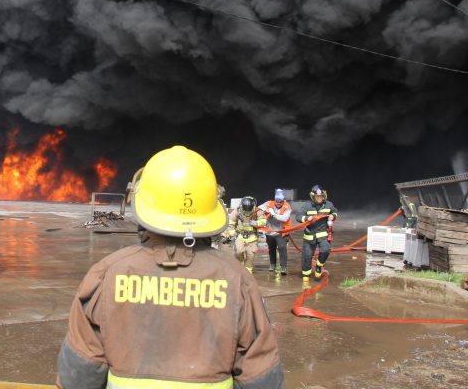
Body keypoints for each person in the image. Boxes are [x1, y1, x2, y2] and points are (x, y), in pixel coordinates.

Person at [56, 146, 284, 388]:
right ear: (211, 205)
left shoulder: (106, 275)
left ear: (141, 203)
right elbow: (262, 379)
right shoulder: (238, 280)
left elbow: (78, 377)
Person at [299, 184, 338, 282]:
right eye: (317, 197)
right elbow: (298, 216)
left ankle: (319, 266)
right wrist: (307, 218)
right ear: (313, 197)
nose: (319, 198)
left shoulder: (328, 204)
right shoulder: (307, 206)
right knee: (307, 256)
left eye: (321, 196)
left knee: (325, 250)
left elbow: (335, 211)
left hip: (323, 234)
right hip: (309, 235)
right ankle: (306, 274)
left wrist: (333, 216)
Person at [222, 195, 267, 273]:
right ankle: (240, 265)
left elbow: (264, 221)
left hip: (252, 236)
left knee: (251, 255)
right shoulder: (238, 211)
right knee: (238, 252)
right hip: (240, 236)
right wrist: (232, 234)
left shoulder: (258, 211)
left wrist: (256, 223)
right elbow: (231, 223)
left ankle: (248, 270)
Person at [259, 189, 292, 275]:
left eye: (280, 202)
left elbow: (284, 218)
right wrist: (264, 209)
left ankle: (283, 267)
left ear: (283, 200)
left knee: (282, 248)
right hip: (270, 232)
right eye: (277, 201)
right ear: (275, 200)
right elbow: (259, 208)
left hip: (281, 232)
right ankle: (272, 264)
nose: (278, 203)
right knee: (271, 248)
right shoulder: (269, 203)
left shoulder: (287, 207)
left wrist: (273, 214)